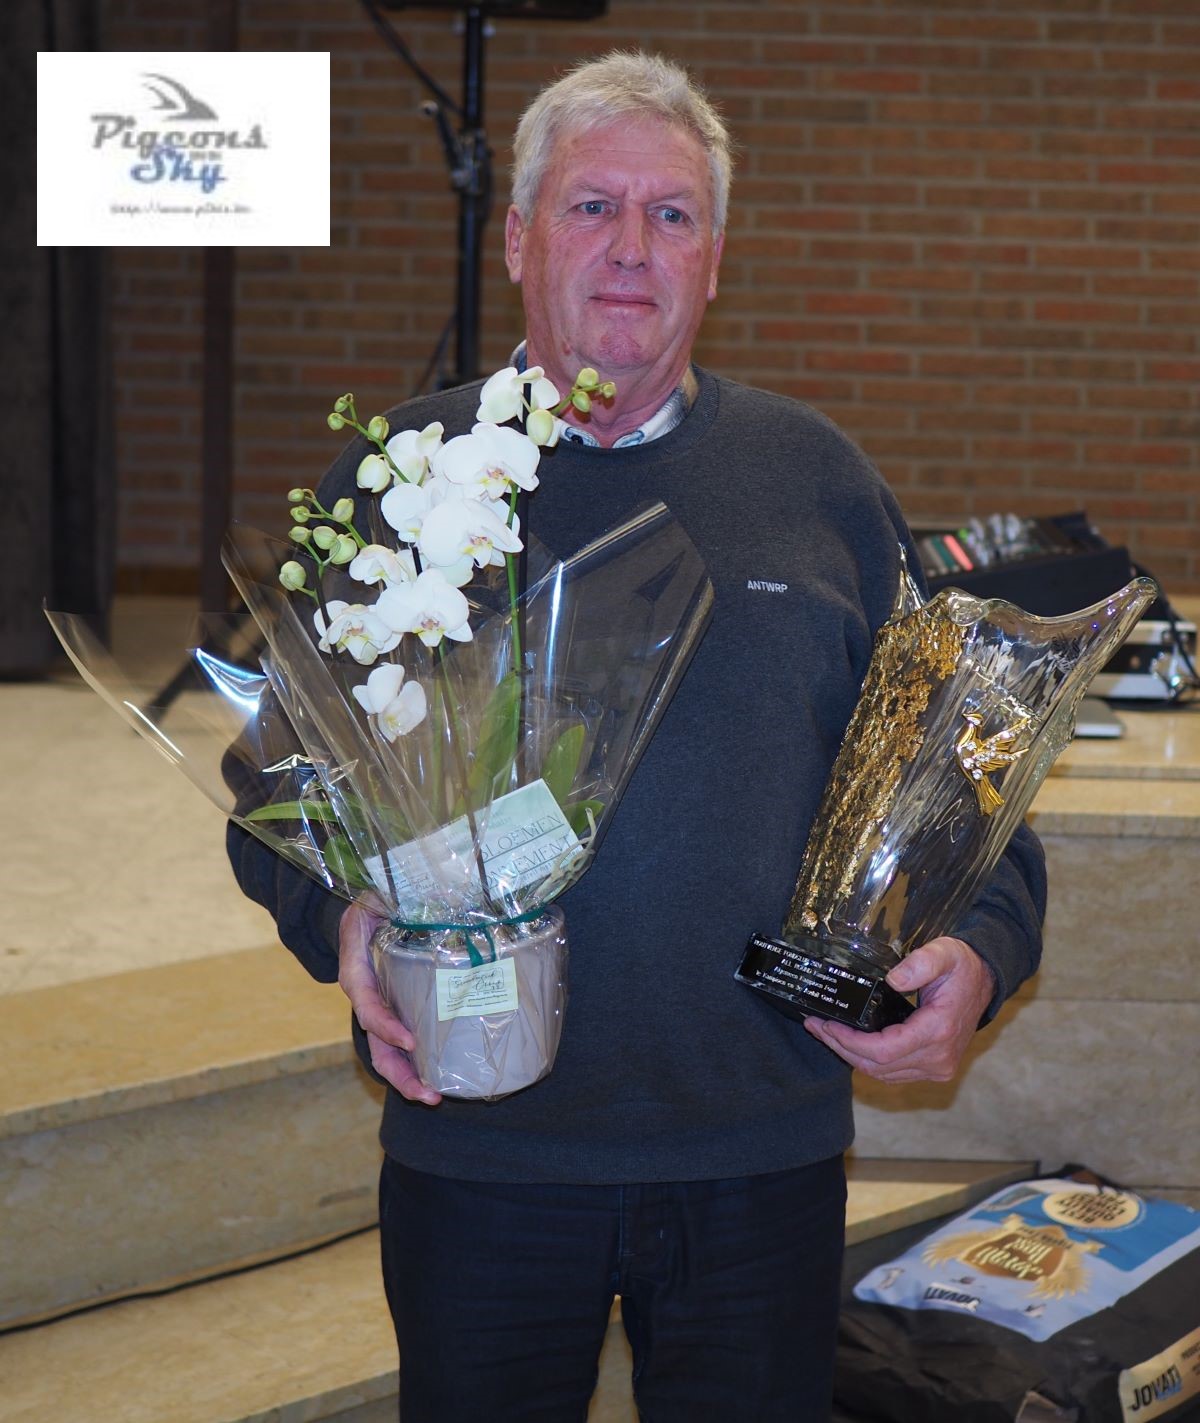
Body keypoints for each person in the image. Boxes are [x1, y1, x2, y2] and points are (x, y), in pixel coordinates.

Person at [229, 50, 1046, 1422]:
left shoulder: (816, 483)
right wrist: (346, 922)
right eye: (592, 206)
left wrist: (982, 954)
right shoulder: (400, 486)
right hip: (481, 1150)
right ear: (518, 239)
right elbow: (275, 791)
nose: (631, 247)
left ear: (714, 261)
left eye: (672, 215)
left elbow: (966, 783)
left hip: (761, 1155)